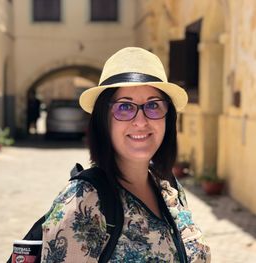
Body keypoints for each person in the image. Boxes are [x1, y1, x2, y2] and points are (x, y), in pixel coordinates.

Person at [40, 47, 211, 262]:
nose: (141, 121)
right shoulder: (83, 201)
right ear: (104, 121)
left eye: (153, 105)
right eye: (124, 107)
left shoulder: (169, 187)